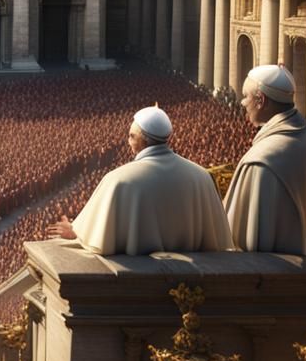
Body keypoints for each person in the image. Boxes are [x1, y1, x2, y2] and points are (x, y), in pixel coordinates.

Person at [47, 106, 233, 255]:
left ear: (139, 141)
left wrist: (75, 232)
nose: (128, 142)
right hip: (192, 281)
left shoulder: (119, 180)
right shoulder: (201, 176)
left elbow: (97, 241)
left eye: (130, 136)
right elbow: (218, 241)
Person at [224, 64, 306, 253]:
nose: (242, 102)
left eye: (245, 96)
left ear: (261, 100)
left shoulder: (262, 160)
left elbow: (235, 236)